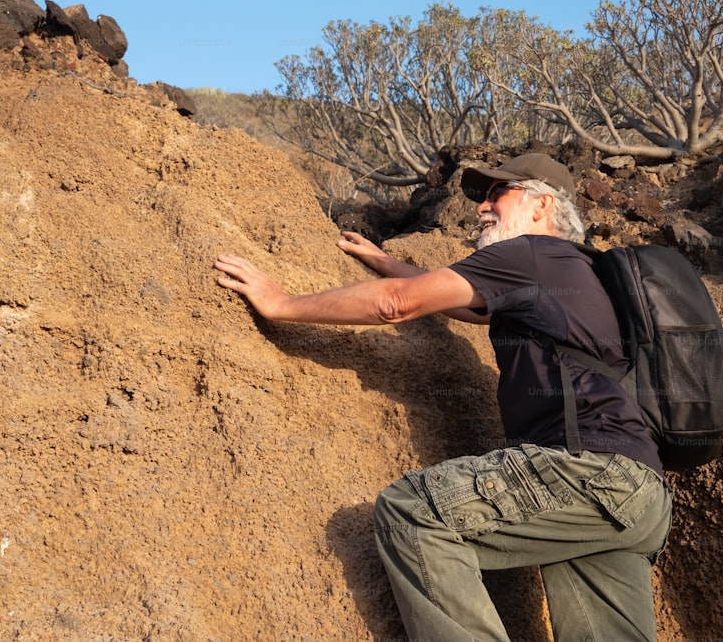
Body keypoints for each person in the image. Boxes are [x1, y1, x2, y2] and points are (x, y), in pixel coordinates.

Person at [214, 153, 672, 642]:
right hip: (637, 496)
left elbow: (394, 304)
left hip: (586, 471)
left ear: (541, 205)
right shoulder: (577, 271)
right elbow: (464, 304)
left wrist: (281, 303)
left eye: (499, 194)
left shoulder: (530, 254)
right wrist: (386, 262)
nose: (481, 207)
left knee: (414, 512)